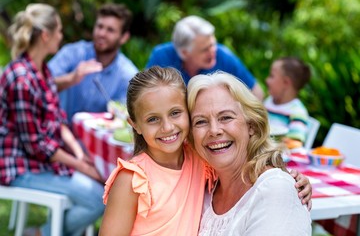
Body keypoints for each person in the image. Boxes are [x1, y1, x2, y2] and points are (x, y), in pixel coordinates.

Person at [99, 66, 311, 235]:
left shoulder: (198, 159)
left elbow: (257, 173)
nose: (167, 127)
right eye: (153, 119)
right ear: (134, 124)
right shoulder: (132, 179)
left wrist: (291, 180)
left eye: (175, 113)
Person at [0, 4, 104, 236]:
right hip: (20, 167)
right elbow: (36, 144)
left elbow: (57, 119)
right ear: (45, 36)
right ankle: (43, 233)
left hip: (40, 161)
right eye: (58, 30)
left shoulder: (41, 70)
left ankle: (46, 232)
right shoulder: (21, 80)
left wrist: (80, 155)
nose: (61, 36)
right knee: (99, 198)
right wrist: (81, 166)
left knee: (99, 187)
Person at [187, 71, 312, 235]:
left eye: (226, 117)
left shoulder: (274, 190)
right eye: (201, 121)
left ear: (251, 125)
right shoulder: (202, 186)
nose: (214, 130)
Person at [48, 3, 138, 123]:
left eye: (110, 30)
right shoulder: (73, 53)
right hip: (60, 133)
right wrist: (71, 79)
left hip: (98, 139)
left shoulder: (128, 74)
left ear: (124, 37)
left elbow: (125, 119)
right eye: (99, 26)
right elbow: (40, 85)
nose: (102, 33)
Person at [146, 15, 264, 100]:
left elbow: (257, 92)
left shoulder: (222, 54)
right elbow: (144, 94)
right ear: (185, 52)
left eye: (212, 44)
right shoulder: (161, 57)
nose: (212, 51)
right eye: (205, 49)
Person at [264, 57, 311, 148]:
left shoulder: (297, 112)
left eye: (271, 76)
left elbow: (295, 143)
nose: (267, 80)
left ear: (286, 82)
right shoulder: (268, 102)